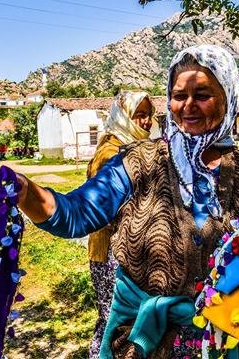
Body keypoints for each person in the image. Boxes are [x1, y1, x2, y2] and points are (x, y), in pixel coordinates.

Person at [0, 45, 239, 358]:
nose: (188, 105)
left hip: (230, 341)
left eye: (203, 94)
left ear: (228, 97)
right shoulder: (138, 163)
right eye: (179, 96)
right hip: (142, 343)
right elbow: (76, 214)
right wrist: (27, 191)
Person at [87, 90, 154, 359]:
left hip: (129, 249)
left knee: (121, 319)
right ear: (124, 117)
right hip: (112, 251)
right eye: (139, 115)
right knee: (114, 319)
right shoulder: (110, 153)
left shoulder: (133, 146)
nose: (147, 121)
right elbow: (108, 207)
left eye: (149, 115)